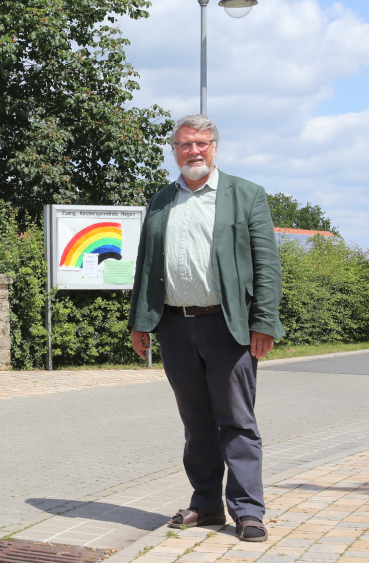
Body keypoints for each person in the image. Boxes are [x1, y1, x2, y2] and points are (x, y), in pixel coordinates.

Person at [128, 115, 283, 542]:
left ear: (215, 146)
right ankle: (207, 504)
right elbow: (146, 266)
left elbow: (267, 264)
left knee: (237, 421)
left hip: (228, 326)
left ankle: (248, 511)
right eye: (184, 145)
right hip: (175, 328)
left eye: (201, 143)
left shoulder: (246, 195)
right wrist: (140, 321)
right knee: (196, 423)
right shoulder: (161, 199)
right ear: (174, 150)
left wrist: (263, 320)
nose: (193, 151)